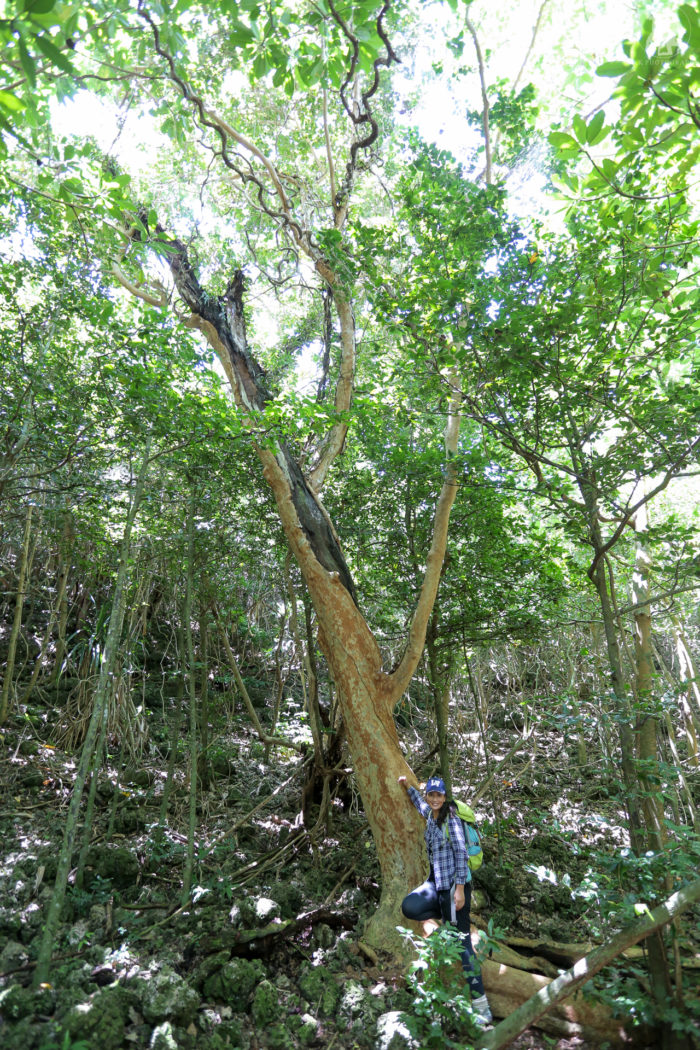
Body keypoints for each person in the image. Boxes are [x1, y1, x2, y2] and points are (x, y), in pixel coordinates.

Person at [397, 774, 493, 1025]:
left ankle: (481, 1005)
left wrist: (460, 890)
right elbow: (419, 804)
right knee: (410, 906)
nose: (435, 799)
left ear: (445, 796)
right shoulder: (431, 814)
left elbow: (461, 853)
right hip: (437, 885)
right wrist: (407, 786)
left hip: (454, 888)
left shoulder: (451, 818)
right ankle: (447, 922)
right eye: (432, 795)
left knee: (461, 944)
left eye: (439, 795)